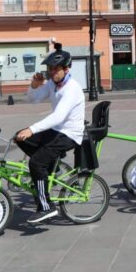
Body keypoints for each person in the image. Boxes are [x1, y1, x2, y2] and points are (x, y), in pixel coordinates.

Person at [14, 43, 85, 224]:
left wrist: (31, 129)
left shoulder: (71, 88)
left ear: (66, 68)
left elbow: (58, 116)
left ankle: (46, 207)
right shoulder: (54, 85)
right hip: (56, 130)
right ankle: (48, 166)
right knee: (19, 137)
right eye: (50, 69)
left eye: (56, 69)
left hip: (69, 134)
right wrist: (34, 85)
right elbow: (33, 100)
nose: (52, 72)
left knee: (36, 162)